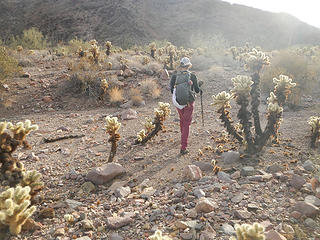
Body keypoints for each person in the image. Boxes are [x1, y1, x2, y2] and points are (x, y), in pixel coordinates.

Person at [170, 57, 201, 155]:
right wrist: (199, 86)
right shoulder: (192, 76)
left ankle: (182, 137)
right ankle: (183, 147)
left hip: (178, 103)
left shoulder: (175, 76)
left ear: (180, 65)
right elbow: (196, 90)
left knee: (182, 120)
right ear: (188, 66)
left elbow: (171, 90)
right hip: (189, 103)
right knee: (187, 124)